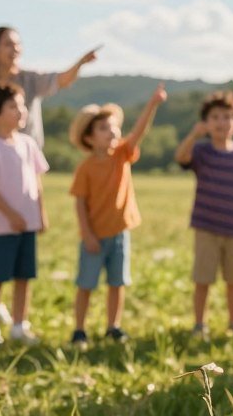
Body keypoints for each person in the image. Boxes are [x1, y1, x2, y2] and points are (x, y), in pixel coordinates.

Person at [67, 83, 167, 348]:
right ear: (89, 138)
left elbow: (139, 132)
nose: (112, 130)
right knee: (86, 285)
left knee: (117, 283)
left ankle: (113, 326)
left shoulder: (122, 155)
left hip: (120, 234)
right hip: (94, 237)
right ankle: (79, 330)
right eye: (103, 128)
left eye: (113, 126)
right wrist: (86, 234)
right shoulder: (85, 168)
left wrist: (152, 104)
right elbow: (79, 203)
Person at [174, 91, 233, 339]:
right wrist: (194, 134)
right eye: (214, 117)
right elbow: (181, 157)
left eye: (227, 117)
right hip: (206, 228)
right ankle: (199, 324)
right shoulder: (201, 152)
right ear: (205, 122)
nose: (221, 122)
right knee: (203, 279)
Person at [0, 84, 49, 350]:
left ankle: (19, 325)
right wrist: (11, 215)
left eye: (22, 105)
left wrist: (40, 214)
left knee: (24, 277)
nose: (21, 111)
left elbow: (36, 181)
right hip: (1, 229)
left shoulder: (28, 144)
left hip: (26, 226)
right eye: (13, 106)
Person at [0, 26, 99, 149]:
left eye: (18, 44)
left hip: (28, 155)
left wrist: (80, 63)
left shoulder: (30, 78)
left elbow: (61, 80)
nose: (15, 49)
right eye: (8, 45)